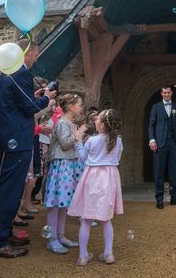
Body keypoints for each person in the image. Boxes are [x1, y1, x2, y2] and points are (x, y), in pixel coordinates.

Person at [0, 39, 56, 259]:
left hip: (10, 138)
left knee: (8, 188)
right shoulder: (22, 74)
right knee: (10, 190)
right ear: (29, 52)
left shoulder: (8, 74)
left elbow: (17, 102)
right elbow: (29, 108)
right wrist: (47, 99)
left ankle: (2, 234)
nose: (36, 57)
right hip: (17, 138)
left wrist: (34, 97)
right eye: (36, 53)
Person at [69, 109, 123, 266]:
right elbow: (117, 158)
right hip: (110, 178)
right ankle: (108, 254)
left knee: (85, 220)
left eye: (98, 119)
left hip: (92, 177)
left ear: (103, 125)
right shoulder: (118, 140)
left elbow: (83, 157)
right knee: (106, 220)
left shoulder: (92, 140)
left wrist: (79, 141)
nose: (95, 121)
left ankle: (83, 256)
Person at [42, 93, 84, 254]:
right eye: (79, 105)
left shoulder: (70, 124)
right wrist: (78, 136)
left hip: (69, 165)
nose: (81, 108)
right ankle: (52, 239)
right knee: (55, 204)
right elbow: (66, 145)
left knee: (63, 204)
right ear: (71, 107)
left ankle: (60, 235)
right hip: (61, 166)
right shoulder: (62, 123)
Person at [148, 85, 176, 209]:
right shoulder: (156, 107)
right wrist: (152, 140)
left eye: (168, 93)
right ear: (161, 93)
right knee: (159, 172)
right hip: (159, 143)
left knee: (174, 171)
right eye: (164, 93)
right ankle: (159, 199)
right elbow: (151, 125)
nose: (166, 95)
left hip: (174, 143)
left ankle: (174, 197)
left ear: (171, 93)